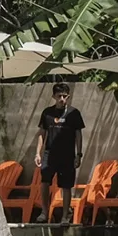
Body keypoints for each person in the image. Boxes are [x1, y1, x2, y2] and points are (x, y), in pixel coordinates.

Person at [33, 83, 86, 222]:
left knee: (66, 185)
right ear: (53, 97)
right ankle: (44, 212)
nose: (62, 99)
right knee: (44, 182)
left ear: (68, 97)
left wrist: (79, 154)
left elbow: (78, 135)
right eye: (59, 96)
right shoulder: (47, 113)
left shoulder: (74, 113)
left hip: (67, 155)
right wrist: (38, 153)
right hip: (49, 154)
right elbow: (41, 133)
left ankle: (64, 216)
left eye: (64, 96)